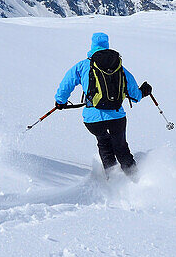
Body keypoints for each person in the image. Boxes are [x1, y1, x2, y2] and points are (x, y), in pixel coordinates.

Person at [55, 32, 152, 177]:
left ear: (92, 45)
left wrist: (60, 102)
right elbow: (135, 96)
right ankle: (135, 179)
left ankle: (113, 181)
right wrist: (143, 91)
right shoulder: (119, 67)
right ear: (107, 45)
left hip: (92, 120)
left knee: (104, 145)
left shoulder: (82, 66)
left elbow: (66, 85)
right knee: (121, 147)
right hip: (116, 117)